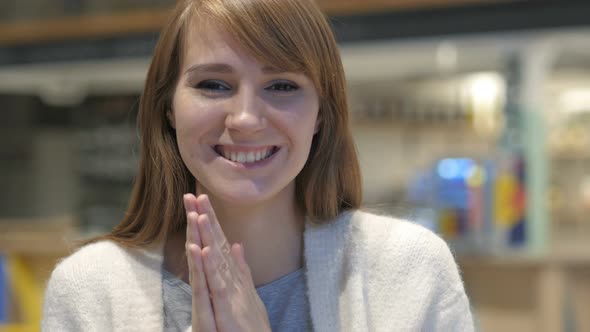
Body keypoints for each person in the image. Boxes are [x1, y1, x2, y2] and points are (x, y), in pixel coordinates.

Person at [42, 0, 474, 331]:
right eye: (213, 84)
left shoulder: (408, 270)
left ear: (322, 113)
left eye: (282, 85)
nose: (246, 118)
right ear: (168, 108)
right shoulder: (90, 290)